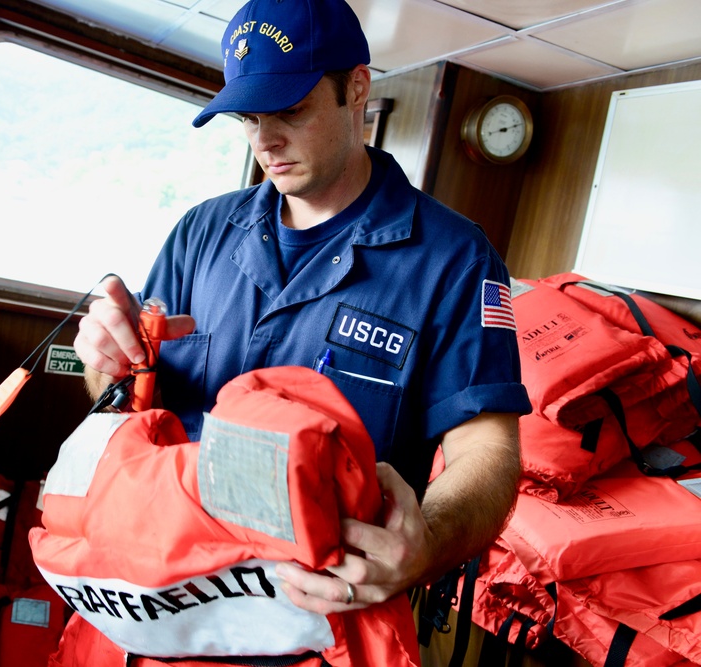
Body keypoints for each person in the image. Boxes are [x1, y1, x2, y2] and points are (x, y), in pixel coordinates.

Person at [73, 0, 531, 650]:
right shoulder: (200, 232)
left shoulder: (455, 259)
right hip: (160, 594)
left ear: (357, 89)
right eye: (249, 118)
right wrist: (104, 359)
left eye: (290, 110)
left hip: (320, 618)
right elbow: (117, 401)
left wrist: (423, 542)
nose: (265, 140)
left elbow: (487, 454)